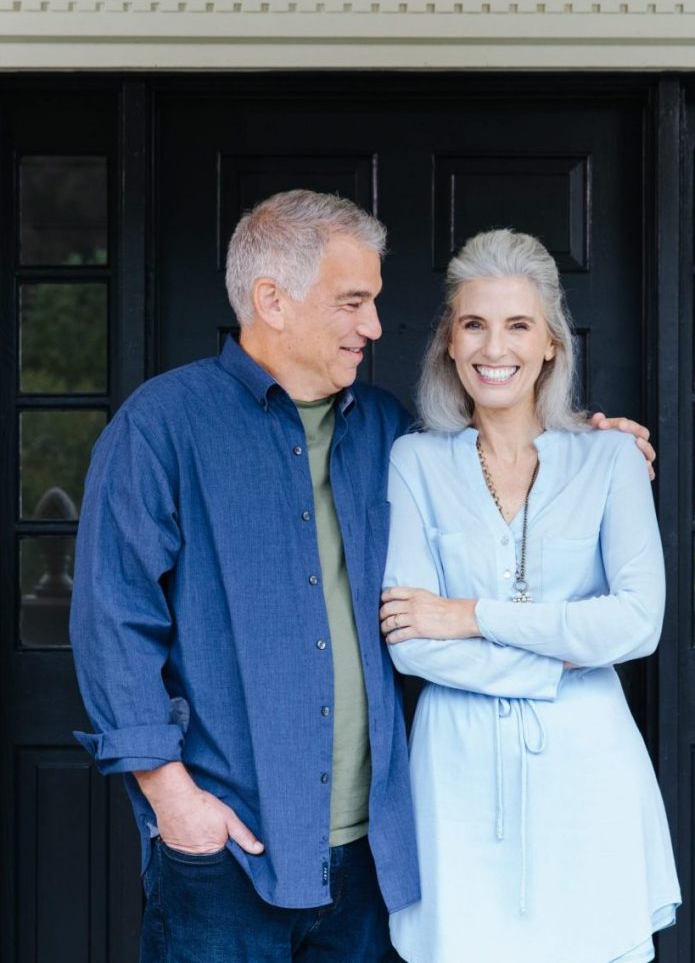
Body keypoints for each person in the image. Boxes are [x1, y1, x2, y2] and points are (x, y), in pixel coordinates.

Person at [69, 190, 656, 963]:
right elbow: (113, 621)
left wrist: (599, 442)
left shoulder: (382, 429)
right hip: (229, 847)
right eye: (354, 302)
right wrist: (173, 801)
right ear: (272, 301)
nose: (375, 326)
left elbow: (498, 445)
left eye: (373, 302)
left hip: (370, 857)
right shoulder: (163, 426)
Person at [380, 229, 681, 963]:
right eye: (474, 323)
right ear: (449, 342)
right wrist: (562, 659)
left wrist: (471, 616)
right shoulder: (414, 461)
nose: (495, 347)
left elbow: (637, 623)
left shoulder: (610, 456)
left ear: (551, 342)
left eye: (518, 324)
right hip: (455, 775)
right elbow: (413, 641)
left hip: (589, 771)